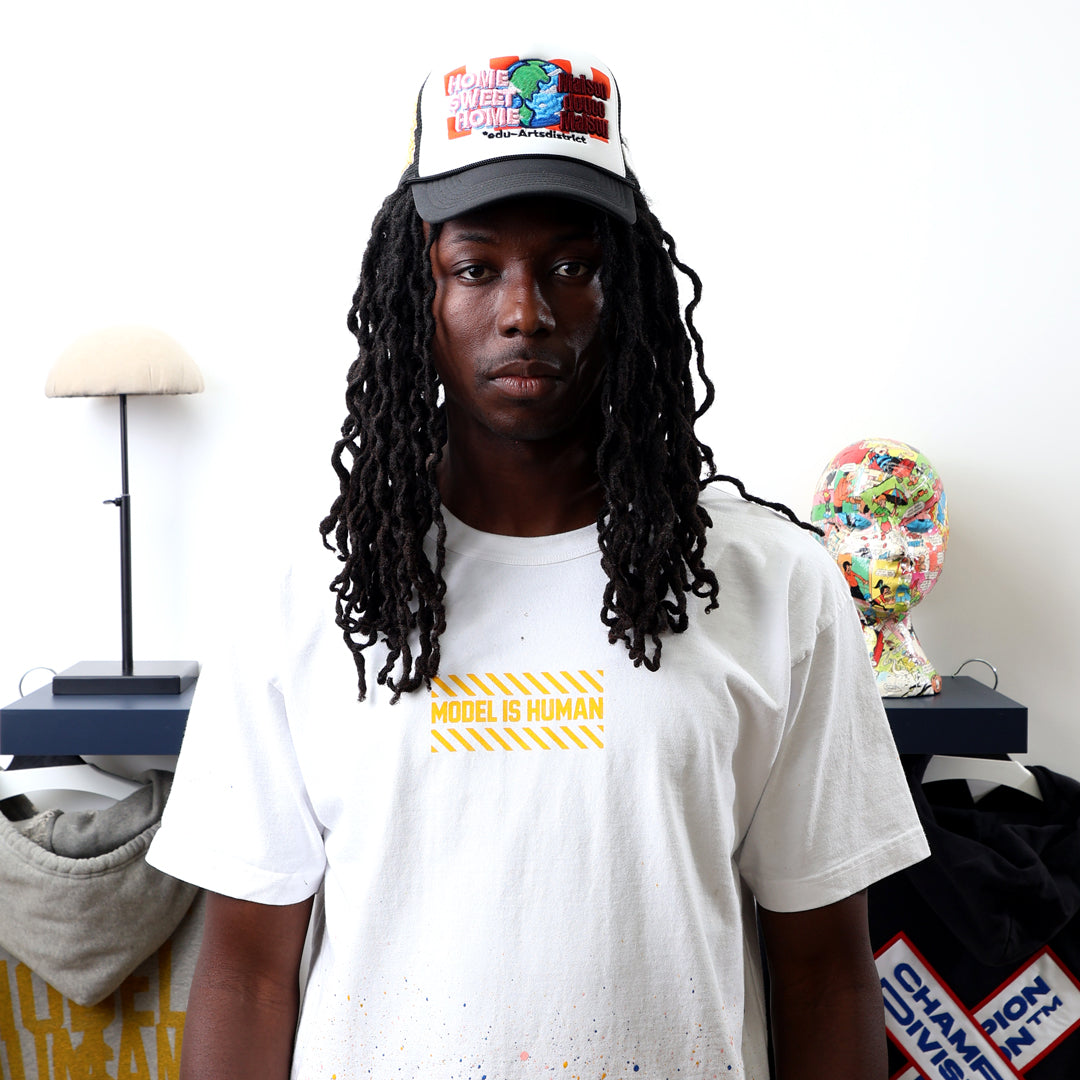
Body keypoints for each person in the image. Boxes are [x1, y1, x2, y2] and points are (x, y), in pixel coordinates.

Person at [148, 45, 929, 1079]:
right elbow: (247, 971)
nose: (526, 312)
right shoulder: (306, 592)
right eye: (476, 268)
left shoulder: (777, 585)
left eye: (573, 266)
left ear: (635, 293)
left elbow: (825, 970)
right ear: (413, 299)